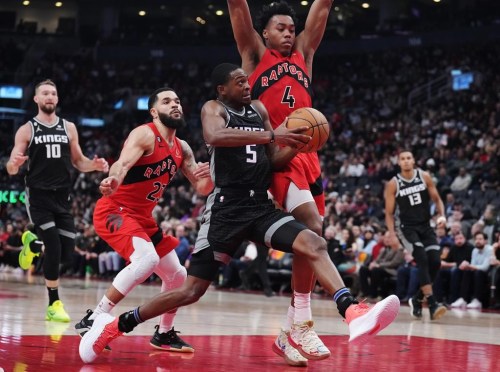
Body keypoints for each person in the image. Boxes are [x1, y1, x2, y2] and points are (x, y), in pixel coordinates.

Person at [79, 63, 400, 365]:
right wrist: (273, 135)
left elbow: (268, 159)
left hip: (258, 206)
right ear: (222, 89)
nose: (247, 85)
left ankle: (352, 311)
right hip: (225, 210)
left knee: (314, 241)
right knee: (190, 290)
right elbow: (216, 137)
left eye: (248, 80)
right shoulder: (212, 109)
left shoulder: (257, 112)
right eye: (239, 81)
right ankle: (113, 325)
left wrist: (299, 142)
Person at [227, 0, 335, 365]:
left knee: (315, 240)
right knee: (312, 225)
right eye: (281, 28)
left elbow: (324, 7)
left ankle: (289, 331)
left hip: (309, 155)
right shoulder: (254, 53)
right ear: (265, 32)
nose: (289, 33)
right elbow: (236, 7)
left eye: (292, 28)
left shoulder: (305, 52)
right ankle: (303, 323)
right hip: (275, 153)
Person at [74, 87, 213, 353]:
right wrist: (114, 179)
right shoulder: (145, 133)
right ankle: (94, 318)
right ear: (154, 111)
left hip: (142, 218)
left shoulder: (182, 148)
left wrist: (210, 174)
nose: (175, 105)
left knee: (178, 276)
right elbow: (122, 164)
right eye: (167, 101)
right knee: (147, 259)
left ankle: (164, 334)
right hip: (115, 209)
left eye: (178, 101)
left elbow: (201, 188)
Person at [6, 79, 109, 322]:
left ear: (57, 98)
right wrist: (15, 164)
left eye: (53, 93)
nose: (50, 96)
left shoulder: (69, 127)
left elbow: (79, 161)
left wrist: (93, 166)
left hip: (63, 197)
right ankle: (54, 303)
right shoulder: (27, 129)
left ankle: (32, 246)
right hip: (38, 195)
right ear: (36, 99)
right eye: (45, 93)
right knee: (53, 246)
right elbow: (11, 166)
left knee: (67, 255)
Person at [385, 150, 447, 321]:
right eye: (402, 159)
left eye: (408, 158)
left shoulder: (424, 176)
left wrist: (442, 215)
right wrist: (393, 235)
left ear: (414, 161)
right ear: (398, 162)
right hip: (407, 228)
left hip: (426, 226)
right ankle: (433, 304)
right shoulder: (393, 183)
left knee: (435, 261)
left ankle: (417, 298)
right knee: (422, 258)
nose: (406, 161)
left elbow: (437, 199)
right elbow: (389, 213)